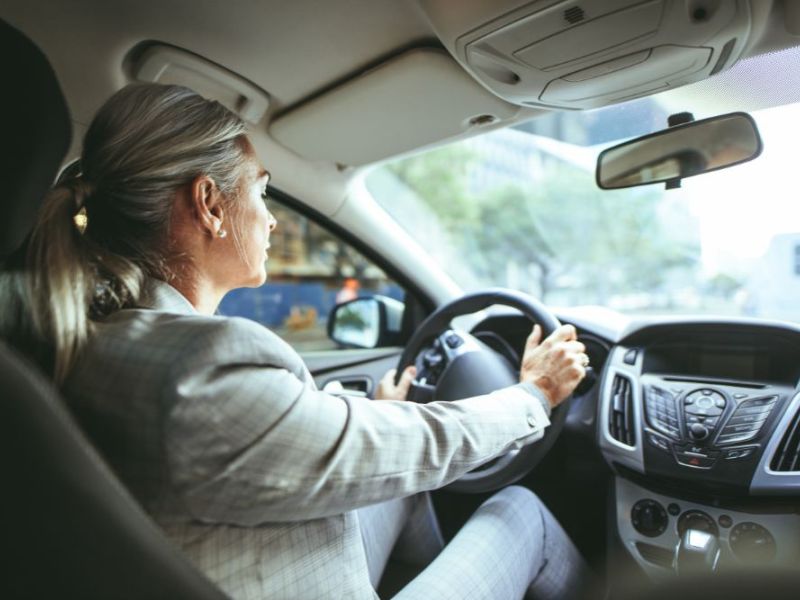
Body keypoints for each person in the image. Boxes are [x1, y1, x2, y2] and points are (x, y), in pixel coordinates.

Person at [11, 83, 592, 599]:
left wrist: (376, 413)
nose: (271, 221)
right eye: (261, 194)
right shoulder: (201, 367)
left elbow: (305, 438)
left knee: (407, 489)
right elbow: (423, 443)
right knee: (524, 517)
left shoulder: (88, 338)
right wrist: (535, 394)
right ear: (211, 205)